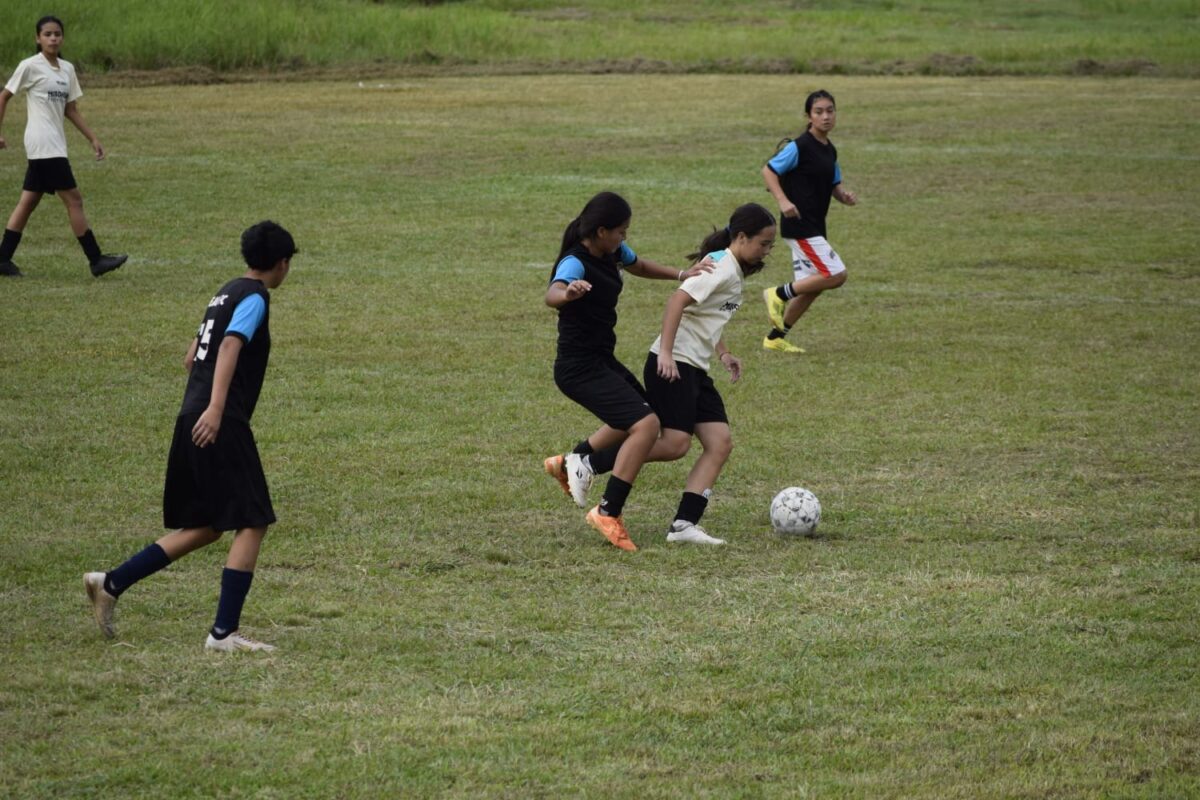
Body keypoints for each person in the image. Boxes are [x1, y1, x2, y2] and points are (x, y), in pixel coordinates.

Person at [84, 221, 296, 652]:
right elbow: (231, 345)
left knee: (204, 526)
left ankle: (111, 582)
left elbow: (193, 352)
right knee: (253, 521)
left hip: (190, 413)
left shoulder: (225, 291)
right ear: (282, 263)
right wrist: (218, 408)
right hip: (218, 418)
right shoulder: (255, 297)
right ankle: (223, 635)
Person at [563, 203, 776, 546]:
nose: (766, 251)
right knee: (675, 443)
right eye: (763, 243)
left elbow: (704, 314)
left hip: (696, 367)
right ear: (741, 237)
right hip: (674, 363)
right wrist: (665, 353)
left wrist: (723, 352)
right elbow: (677, 301)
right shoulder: (721, 268)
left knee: (719, 443)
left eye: (770, 245)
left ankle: (684, 525)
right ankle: (588, 462)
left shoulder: (729, 265)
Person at [542, 191, 711, 552]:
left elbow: (640, 266)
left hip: (601, 359)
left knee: (641, 416)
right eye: (620, 231)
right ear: (601, 231)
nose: (624, 238)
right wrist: (568, 293)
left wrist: (682, 273)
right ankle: (608, 512)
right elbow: (552, 293)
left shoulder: (613, 251)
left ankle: (572, 462)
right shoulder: (577, 261)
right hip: (578, 367)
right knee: (646, 425)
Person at [0, 15, 126, 278]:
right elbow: (4, 96)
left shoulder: (67, 69)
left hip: (55, 144)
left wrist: (92, 138)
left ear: (62, 37)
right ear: (38, 38)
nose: (53, 38)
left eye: (57, 34)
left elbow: (71, 110)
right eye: (47, 34)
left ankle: (2, 259)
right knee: (74, 200)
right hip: (42, 143)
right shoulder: (30, 66)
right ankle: (96, 260)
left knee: (28, 202)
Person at [760, 89, 857, 353]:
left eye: (830, 110)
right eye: (819, 112)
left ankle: (775, 337)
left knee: (812, 287)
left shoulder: (830, 150)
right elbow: (768, 171)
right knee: (836, 275)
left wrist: (843, 196)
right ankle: (778, 294)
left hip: (815, 225)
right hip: (800, 225)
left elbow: (833, 183)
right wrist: (782, 201)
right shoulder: (799, 146)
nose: (826, 116)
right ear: (808, 116)